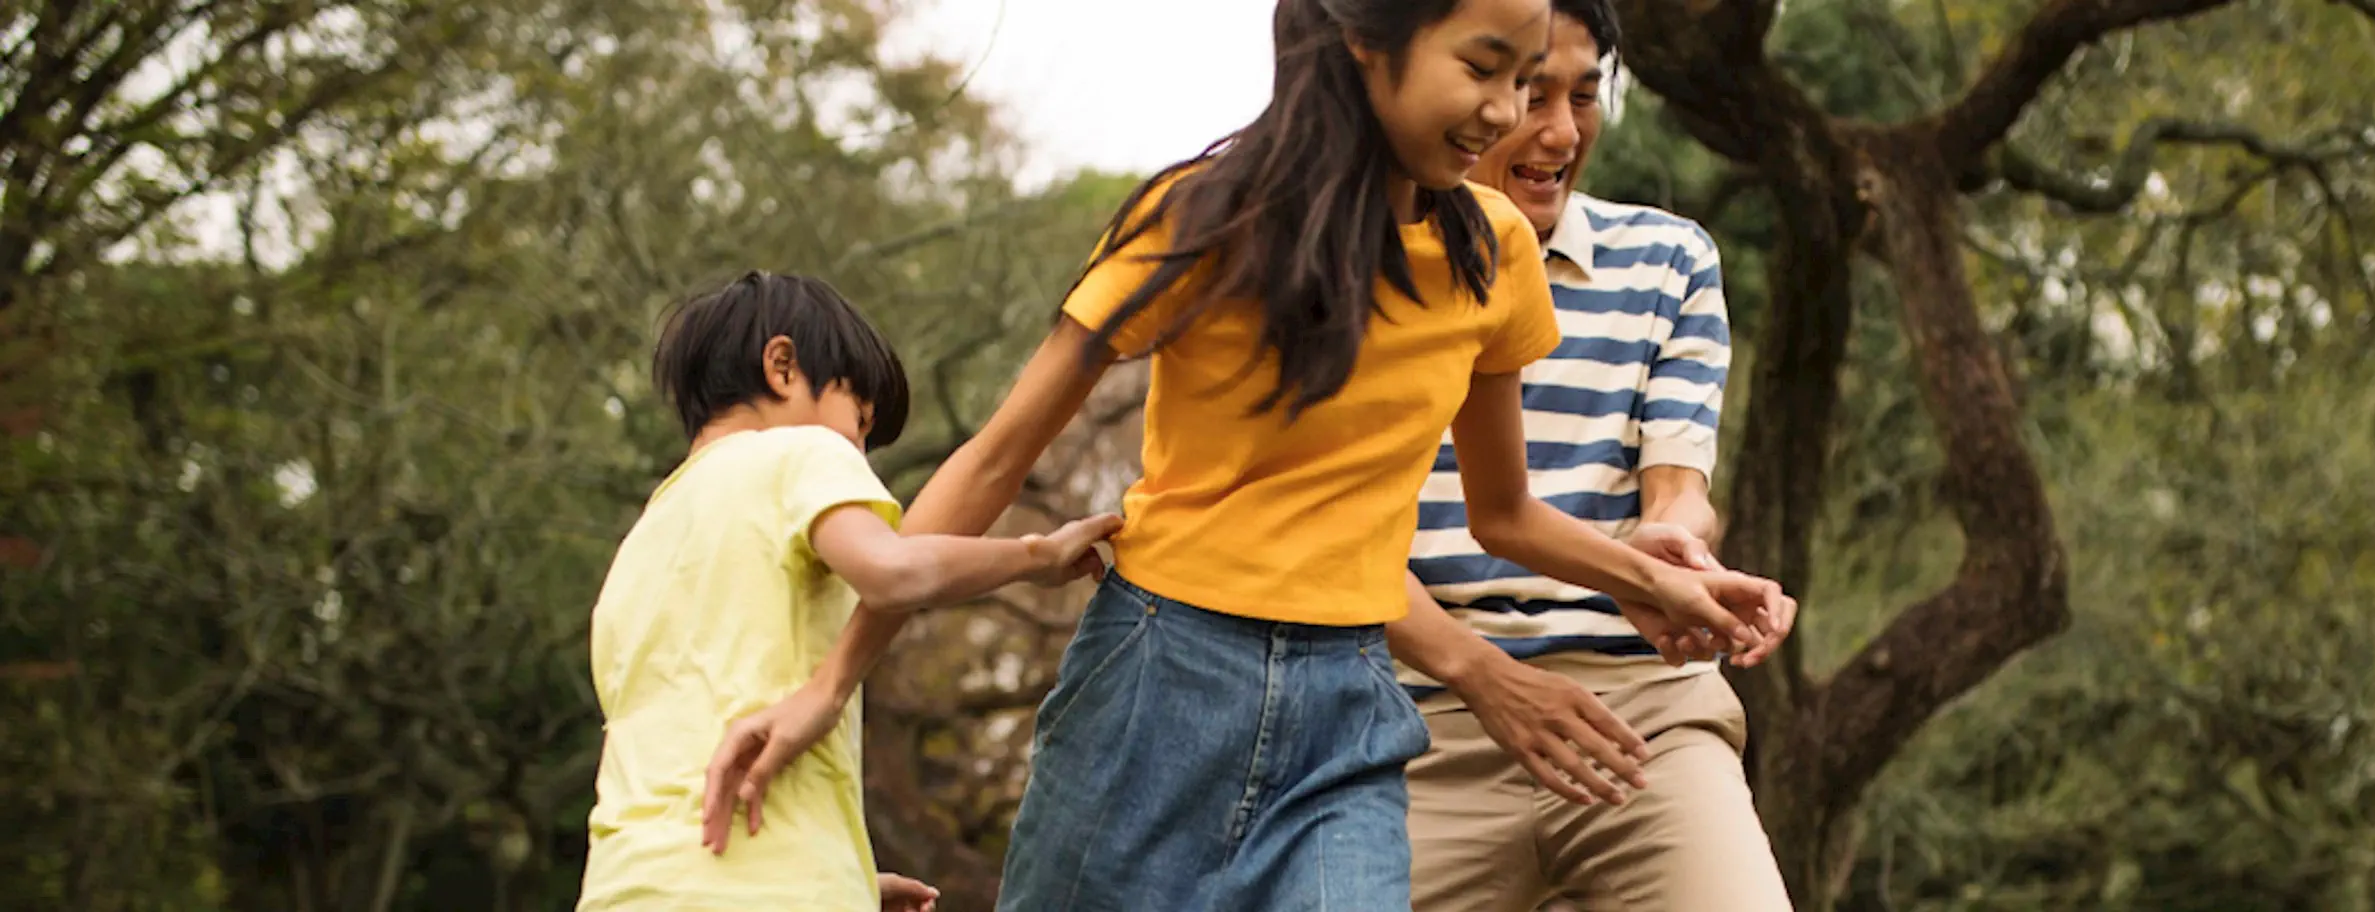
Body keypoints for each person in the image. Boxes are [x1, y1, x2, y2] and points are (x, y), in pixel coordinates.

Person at [696, 0, 1795, 909]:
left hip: (1350, 710)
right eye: (1485, 69)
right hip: (1156, 682)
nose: (1509, 114)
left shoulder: (1490, 251)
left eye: (1533, 78)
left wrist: (1663, 583)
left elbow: (1506, 516)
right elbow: (992, 461)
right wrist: (832, 684)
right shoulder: (1200, 220)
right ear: (1366, 42)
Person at [1384, 1, 1798, 909]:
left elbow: (1679, 487)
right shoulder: (1366, 267)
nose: (1561, 132)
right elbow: (1337, 540)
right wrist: (1480, 672)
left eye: (1584, 94)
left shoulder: (1670, 259)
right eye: (1533, 94)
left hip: (1637, 710)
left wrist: (1667, 552)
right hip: (1412, 716)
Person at [576, 272, 1118, 912]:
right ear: (782, 367)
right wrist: (1034, 555)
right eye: (859, 423)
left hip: (626, 884)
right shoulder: (798, 452)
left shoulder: (641, 546)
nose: (859, 454)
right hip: (770, 888)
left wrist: (851, 878)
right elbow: (893, 572)